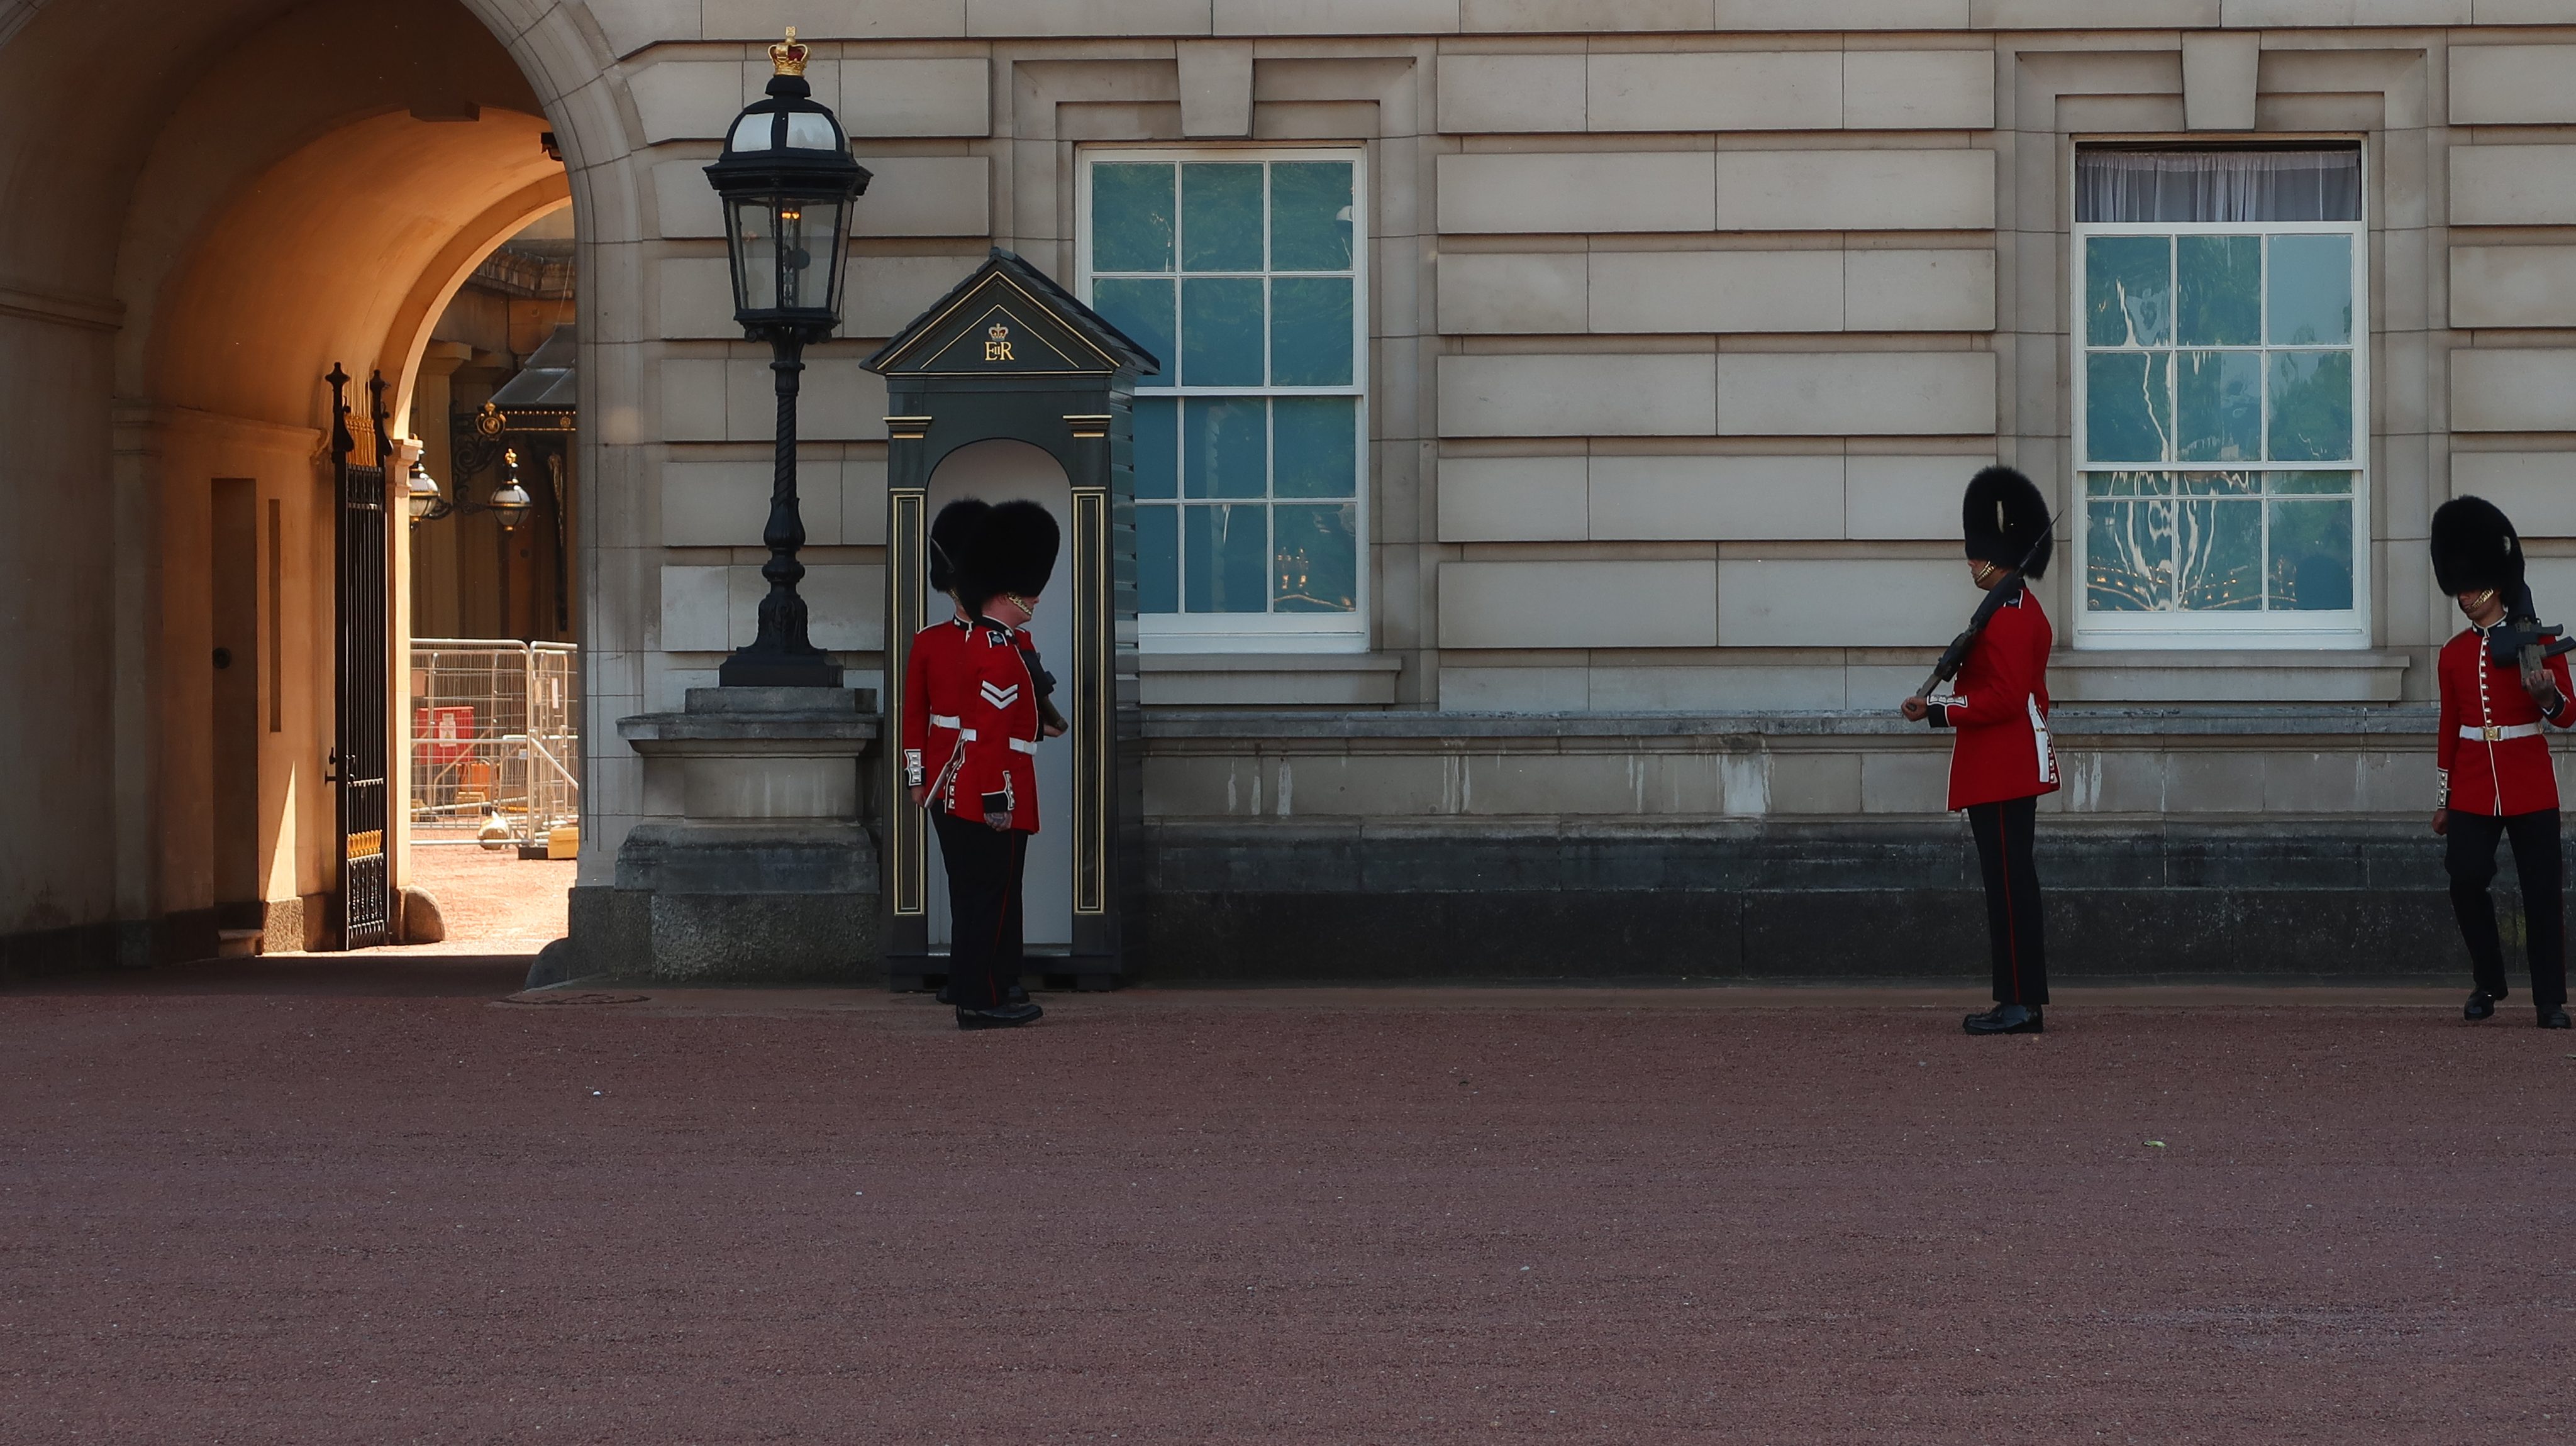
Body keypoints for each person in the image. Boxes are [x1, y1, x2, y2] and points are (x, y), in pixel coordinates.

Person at [1902, 466, 2058, 1036]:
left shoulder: (2012, 617)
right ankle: (2017, 998)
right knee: (2008, 885)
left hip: (2003, 766)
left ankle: (2020, 1005)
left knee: (2009, 887)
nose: (1970, 564)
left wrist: (1939, 709)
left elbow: (2005, 698)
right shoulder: (2007, 609)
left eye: (1975, 556)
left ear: (1993, 558)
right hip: (2002, 764)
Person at [900, 500, 1060, 1030]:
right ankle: (976, 984)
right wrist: (918, 777)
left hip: (980, 770)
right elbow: (916, 717)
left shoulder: (1009, 641)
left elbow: (1023, 713)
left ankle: (995, 977)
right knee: (975, 886)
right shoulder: (938, 642)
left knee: (994, 888)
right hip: (960, 774)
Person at [2429, 497, 2574, 1030]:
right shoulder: (2453, 653)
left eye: (2473, 587)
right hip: (2472, 784)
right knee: (2465, 879)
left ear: (2495, 583)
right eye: (2461, 588)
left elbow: (2568, 714)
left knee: (2542, 892)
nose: (2465, 597)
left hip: (2528, 780)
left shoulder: (2539, 641)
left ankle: (2550, 1000)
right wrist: (2444, 799)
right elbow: (2450, 726)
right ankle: (2488, 981)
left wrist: (2546, 697)